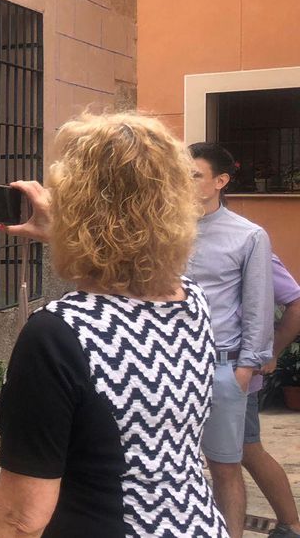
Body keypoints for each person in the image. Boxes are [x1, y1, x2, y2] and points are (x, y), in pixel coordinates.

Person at [0, 112, 226, 537]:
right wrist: (67, 235)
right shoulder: (193, 300)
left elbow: (21, 517)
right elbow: (125, 274)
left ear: (77, 207)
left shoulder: (57, 334)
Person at [187, 142, 276, 538]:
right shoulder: (161, 229)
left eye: (193, 175)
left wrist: (244, 370)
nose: (182, 183)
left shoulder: (248, 236)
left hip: (222, 369)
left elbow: (259, 306)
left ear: (219, 181)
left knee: (226, 466)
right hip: (168, 365)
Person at [243, 255, 300, 538]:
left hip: (236, 373)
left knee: (246, 450)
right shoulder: (171, 241)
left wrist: (273, 352)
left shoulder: (249, 243)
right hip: (187, 373)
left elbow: (295, 302)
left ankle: (290, 524)